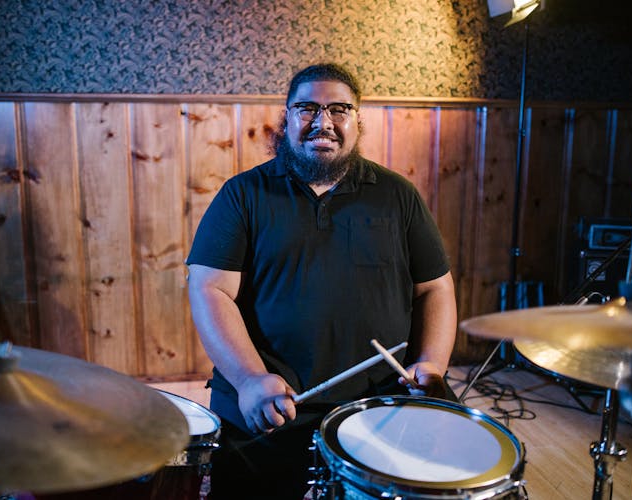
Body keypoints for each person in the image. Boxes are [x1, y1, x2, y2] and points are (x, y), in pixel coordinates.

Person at [185, 63, 457, 499]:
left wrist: (432, 364)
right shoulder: (242, 195)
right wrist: (251, 378)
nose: (323, 121)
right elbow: (209, 289)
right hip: (268, 400)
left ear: (357, 120)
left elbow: (435, 288)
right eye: (307, 108)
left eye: (339, 109)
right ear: (287, 117)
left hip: (378, 402)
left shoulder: (398, 196)